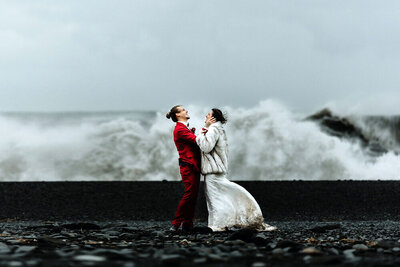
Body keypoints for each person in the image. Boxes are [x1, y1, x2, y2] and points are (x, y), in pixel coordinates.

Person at [196, 108, 277, 232]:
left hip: (213, 170)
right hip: (218, 169)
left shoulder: (213, 129)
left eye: (209, 114)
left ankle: (218, 225)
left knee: (214, 199)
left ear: (213, 118)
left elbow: (206, 147)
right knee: (220, 196)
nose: (206, 116)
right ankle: (219, 223)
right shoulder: (219, 129)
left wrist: (202, 132)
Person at [166, 105, 207, 232]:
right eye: (183, 110)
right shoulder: (180, 129)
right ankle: (176, 224)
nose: (186, 111)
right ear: (178, 115)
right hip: (188, 166)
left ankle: (187, 224)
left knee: (193, 195)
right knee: (189, 195)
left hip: (192, 165)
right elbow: (196, 141)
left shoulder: (183, 128)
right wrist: (204, 128)